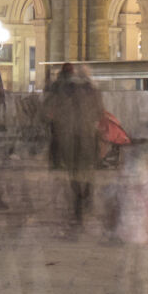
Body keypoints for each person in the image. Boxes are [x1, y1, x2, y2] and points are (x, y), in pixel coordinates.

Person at [43, 64, 106, 230]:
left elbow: (49, 111)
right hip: (87, 134)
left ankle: (79, 203)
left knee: (74, 171)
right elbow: (99, 112)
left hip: (69, 135)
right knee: (87, 168)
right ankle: (86, 196)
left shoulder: (62, 90)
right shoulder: (92, 90)